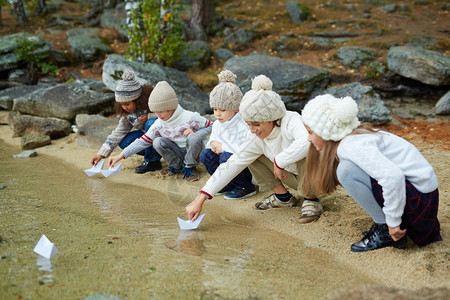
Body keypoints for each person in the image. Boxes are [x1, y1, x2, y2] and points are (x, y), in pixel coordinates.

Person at [301, 94, 442, 252]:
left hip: (420, 202)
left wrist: (393, 222)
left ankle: (385, 230)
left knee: (346, 171)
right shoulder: (355, 137)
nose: (308, 139)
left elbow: (393, 177)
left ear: (325, 131)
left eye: (310, 132)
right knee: (349, 168)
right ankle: (386, 223)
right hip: (422, 196)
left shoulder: (351, 145)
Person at [186, 74, 322, 223]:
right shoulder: (256, 138)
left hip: (319, 178)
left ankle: (311, 200)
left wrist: (279, 161)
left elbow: (307, 142)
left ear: (272, 117)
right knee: (248, 156)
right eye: (249, 124)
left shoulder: (291, 120)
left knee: (309, 152)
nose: (252, 130)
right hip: (290, 176)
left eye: (256, 124)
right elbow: (232, 164)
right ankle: (283, 198)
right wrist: (200, 198)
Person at [109, 80, 212, 181]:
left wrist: (196, 133)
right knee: (157, 141)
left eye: (161, 111)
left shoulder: (190, 116)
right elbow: (142, 141)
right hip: (176, 151)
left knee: (193, 137)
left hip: (192, 151)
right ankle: (176, 166)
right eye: (155, 111)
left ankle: (190, 167)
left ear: (171, 107)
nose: (158, 115)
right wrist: (120, 156)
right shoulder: (159, 123)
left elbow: (211, 125)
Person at [90, 70, 162, 174]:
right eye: (121, 104)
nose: (124, 107)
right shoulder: (127, 115)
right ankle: (153, 155)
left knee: (151, 123)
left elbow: (169, 113)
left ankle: (152, 160)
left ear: (137, 100)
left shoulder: (152, 102)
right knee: (124, 141)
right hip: (148, 139)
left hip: (164, 138)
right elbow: (117, 133)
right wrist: (101, 154)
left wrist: (149, 117)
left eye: (127, 104)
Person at [199, 70, 255, 200]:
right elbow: (212, 139)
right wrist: (212, 144)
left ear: (236, 108)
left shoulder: (243, 125)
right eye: (215, 109)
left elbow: (245, 150)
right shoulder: (219, 123)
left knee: (226, 157)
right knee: (205, 154)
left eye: (223, 110)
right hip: (225, 158)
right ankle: (227, 183)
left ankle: (244, 187)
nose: (218, 114)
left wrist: (223, 147)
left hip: (245, 168)